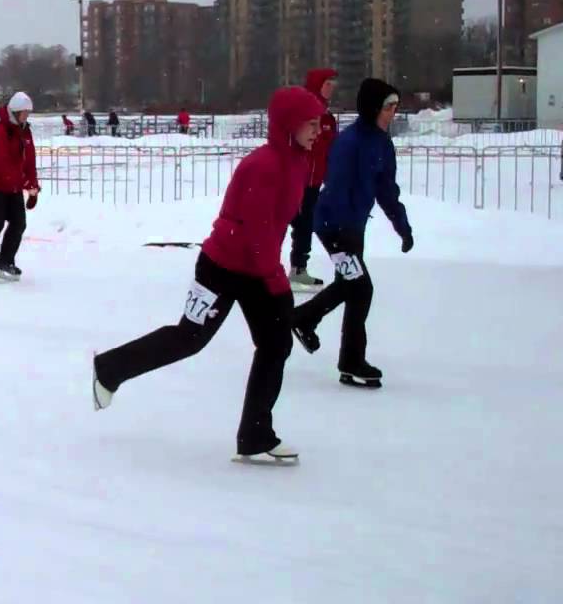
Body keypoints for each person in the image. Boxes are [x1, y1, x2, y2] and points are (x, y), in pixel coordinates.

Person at [91, 86, 325, 465]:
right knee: (190, 337)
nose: (318, 131)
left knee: (275, 344)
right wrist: (278, 280)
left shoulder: (298, 161)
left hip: (256, 268)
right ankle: (110, 369)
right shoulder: (263, 165)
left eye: (320, 124)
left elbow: (278, 227)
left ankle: (254, 435)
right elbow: (258, 231)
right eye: (311, 124)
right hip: (223, 266)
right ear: (288, 125)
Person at [290, 78, 413, 389]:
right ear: (373, 108)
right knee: (360, 287)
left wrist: (402, 226)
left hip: (353, 227)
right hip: (333, 225)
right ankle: (348, 357)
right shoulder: (350, 143)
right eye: (389, 106)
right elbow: (337, 190)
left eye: (396, 106)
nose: (393, 112)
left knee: (351, 285)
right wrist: (344, 234)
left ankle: (307, 321)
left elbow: (386, 190)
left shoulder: (382, 143)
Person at [0, 92, 39, 282]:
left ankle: (6, 260)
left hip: (13, 187)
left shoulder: (25, 131)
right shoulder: (0, 131)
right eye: (24, 113)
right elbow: (1, 162)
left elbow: (29, 161)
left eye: (28, 113)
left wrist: (33, 186)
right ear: (15, 112)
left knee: (19, 223)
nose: (26, 117)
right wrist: (24, 183)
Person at [289, 69, 338, 292]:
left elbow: (331, 150)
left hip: (314, 182)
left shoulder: (328, 118)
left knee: (305, 224)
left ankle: (298, 269)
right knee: (285, 223)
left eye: (333, 83)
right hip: (294, 180)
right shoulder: (301, 112)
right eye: (328, 83)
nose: (332, 87)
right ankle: (259, 268)